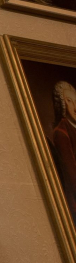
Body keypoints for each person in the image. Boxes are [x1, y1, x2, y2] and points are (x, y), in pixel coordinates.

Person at [51, 81, 76, 222]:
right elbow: (72, 175)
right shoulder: (61, 133)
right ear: (62, 104)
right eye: (69, 101)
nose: (75, 107)